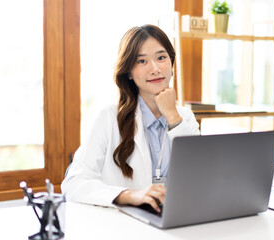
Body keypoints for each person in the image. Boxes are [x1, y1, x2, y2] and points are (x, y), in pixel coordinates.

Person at [61, 24, 200, 213]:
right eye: (142, 61)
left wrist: (173, 116)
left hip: (177, 219)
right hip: (127, 224)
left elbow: (200, 177)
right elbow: (74, 183)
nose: (155, 68)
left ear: (171, 62)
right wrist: (130, 195)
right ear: (128, 71)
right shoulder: (109, 118)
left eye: (161, 58)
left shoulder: (185, 118)